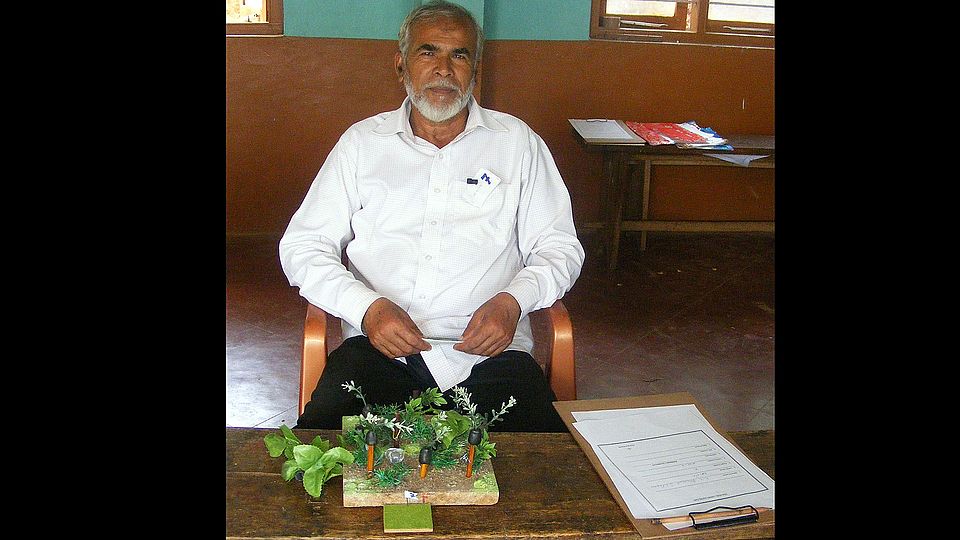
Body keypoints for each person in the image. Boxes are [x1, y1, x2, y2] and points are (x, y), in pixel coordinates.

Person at [279, 0, 584, 432]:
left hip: (491, 357)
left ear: (475, 70)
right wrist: (365, 309)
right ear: (401, 65)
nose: (444, 68)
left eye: (459, 55)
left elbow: (560, 248)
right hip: (378, 353)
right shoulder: (363, 143)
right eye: (428, 52)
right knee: (321, 469)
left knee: (552, 479)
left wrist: (513, 302)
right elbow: (303, 246)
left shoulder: (517, 143)